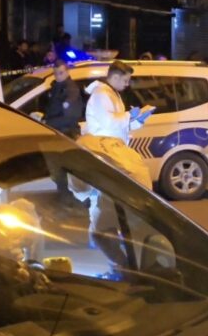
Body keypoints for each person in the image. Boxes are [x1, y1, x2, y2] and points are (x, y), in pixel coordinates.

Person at [79, 61, 155, 277]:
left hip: (113, 155)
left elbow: (119, 126)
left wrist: (137, 121)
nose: (128, 84)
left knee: (106, 222)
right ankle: (123, 267)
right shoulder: (102, 94)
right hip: (107, 155)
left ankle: (123, 268)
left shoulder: (111, 94)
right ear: (114, 76)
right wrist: (131, 116)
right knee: (103, 225)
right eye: (125, 80)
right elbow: (110, 123)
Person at [44, 59, 83, 138]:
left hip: (67, 134)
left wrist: (47, 123)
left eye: (61, 73)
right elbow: (52, 109)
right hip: (57, 131)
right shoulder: (55, 87)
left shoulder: (72, 90)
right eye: (55, 73)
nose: (58, 76)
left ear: (67, 72)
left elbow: (70, 118)